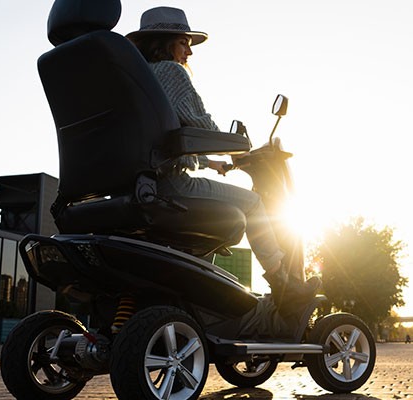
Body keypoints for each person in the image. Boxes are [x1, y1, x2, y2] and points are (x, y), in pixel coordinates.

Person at [125, 7, 318, 302]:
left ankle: (209, 300)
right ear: (163, 43)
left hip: (143, 184)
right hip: (173, 186)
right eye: (183, 42)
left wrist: (208, 161)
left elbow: (164, 140)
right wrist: (236, 148)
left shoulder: (136, 80)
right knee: (253, 204)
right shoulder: (170, 72)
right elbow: (201, 123)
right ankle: (284, 284)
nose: (189, 51)